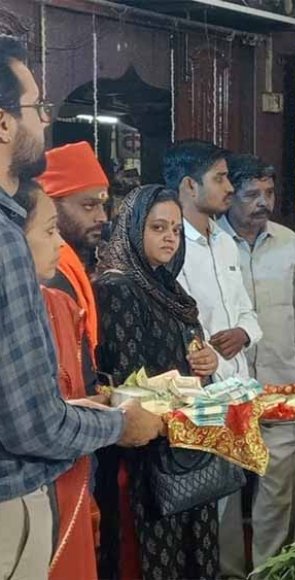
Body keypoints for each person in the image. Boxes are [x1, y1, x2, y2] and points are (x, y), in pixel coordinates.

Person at [0, 34, 162, 579]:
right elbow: (34, 424)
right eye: (36, 107)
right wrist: (119, 423)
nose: (45, 120)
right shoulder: (5, 242)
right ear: (2, 124)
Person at [93, 184, 221, 580]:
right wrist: (184, 376)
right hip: (147, 458)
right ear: (133, 229)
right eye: (158, 227)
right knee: (153, 560)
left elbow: (190, 359)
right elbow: (130, 381)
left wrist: (206, 362)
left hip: (184, 445)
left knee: (191, 555)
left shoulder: (168, 287)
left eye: (176, 230)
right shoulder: (119, 288)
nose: (169, 237)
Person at [218, 154, 295, 576]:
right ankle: (227, 572)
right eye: (251, 194)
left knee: (278, 498)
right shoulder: (208, 243)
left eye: (269, 192)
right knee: (223, 496)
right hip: (225, 394)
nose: (263, 202)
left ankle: (271, 572)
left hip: (283, 390)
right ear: (229, 197)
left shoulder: (288, 243)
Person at [19, 180, 102, 580]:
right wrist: (116, 421)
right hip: (28, 488)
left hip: (66, 473)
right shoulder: (28, 308)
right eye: (49, 231)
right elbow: (41, 421)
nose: (59, 244)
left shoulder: (58, 303)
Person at [163, 139, 262, 383]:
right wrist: (213, 358)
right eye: (219, 178)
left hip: (241, 386)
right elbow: (180, 325)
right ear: (190, 186)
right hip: (202, 387)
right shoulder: (170, 247)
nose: (229, 187)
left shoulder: (225, 242)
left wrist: (244, 333)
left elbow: (245, 309)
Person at [36, 141, 109, 394]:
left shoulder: (72, 264)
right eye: (88, 206)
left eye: (102, 205)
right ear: (51, 206)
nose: (102, 217)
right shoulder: (51, 272)